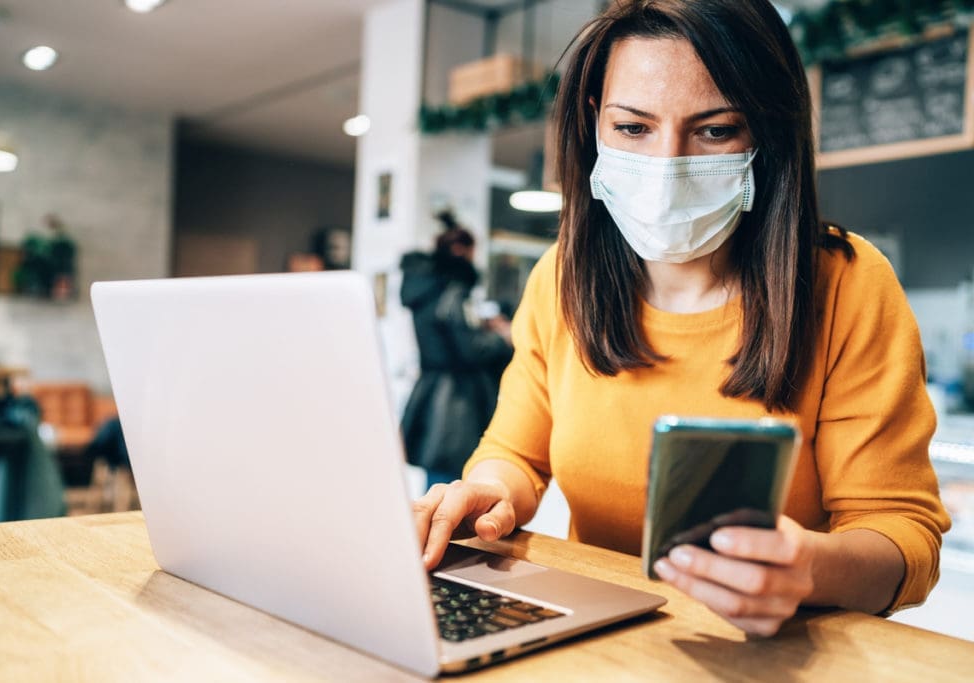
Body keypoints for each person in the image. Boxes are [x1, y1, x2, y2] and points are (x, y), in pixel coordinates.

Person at [412, 0, 950, 638]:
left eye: (716, 130)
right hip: (595, 643)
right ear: (593, 125)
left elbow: (900, 537)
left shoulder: (849, 283)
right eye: (634, 128)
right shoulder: (560, 277)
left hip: (775, 656)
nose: (667, 166)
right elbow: (515, 455)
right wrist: (487, 492)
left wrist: (809, 568)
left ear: (766, 133)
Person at [400, 211, 513, 487]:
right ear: (461, 250)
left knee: (435, 484)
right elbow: (470, 350)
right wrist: (503, 338)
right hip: (456, 404)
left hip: (430, 390)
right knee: (453, 484)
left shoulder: (425, 291)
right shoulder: (454, 294)